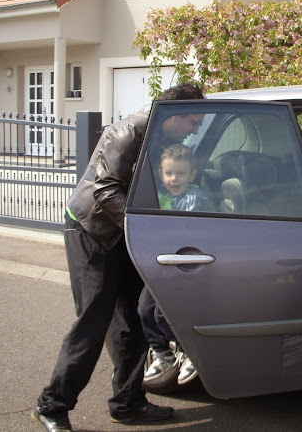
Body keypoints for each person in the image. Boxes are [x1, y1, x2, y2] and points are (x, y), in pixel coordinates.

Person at [32, 83, 205, 432]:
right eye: (194, 121)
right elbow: (105, 188)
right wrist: (145, 231)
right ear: (174, 115)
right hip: (93, 232)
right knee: (93, 322)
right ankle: (51, 405)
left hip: (124, 233)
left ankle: (127, 403)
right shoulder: (128, 132)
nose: (196, 129)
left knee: (131, 322)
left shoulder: (161, 137)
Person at [140, 143, 210, 391]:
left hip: (182, 266)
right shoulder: (161, 197)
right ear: (160, 174)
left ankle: (186, 352)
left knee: (165, 314)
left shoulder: (195, 199)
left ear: (192, 175)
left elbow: (185, 234)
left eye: (180, 173)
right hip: (160, 267)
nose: (174, 178)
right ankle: (162, 354)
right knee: (144, 310)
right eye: (169, 173)